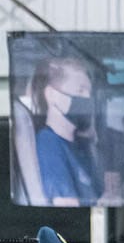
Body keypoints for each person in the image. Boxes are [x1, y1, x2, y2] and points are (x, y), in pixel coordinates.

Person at [31, 56, 99, 205]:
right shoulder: (48, 143)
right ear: (52, 95)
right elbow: (65, 204)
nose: (87, 98)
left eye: (89, 93)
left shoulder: (79, 147)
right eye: (80, 91)